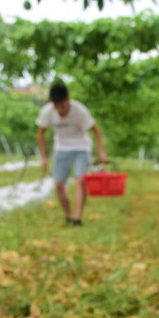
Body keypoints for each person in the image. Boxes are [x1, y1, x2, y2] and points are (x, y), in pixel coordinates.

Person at [36, 82, 108, 227]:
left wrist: (101, 152)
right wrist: (43, 158)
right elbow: (41, 133)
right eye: (56, 106)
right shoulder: (47, 111)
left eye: (62, 105)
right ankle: (69, 215)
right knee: (58, 184)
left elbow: (96, 130)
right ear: (51, 102)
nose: (59, 109)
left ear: (68, 100)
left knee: (80, 180)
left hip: (81, 146)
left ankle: (78, 218)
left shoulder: (80, 110)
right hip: (61, 147)